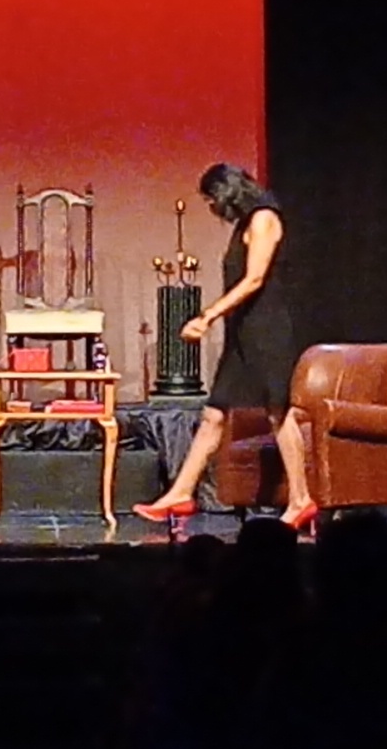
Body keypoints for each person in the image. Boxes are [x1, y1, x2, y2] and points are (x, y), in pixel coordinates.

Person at [134, 164, 314, 531]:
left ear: (227, 191)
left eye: (211, 199)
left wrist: (208, 316)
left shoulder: (264, 218)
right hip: (243, 331)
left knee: (278, 412)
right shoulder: (244, 223)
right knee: (214, 413)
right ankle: (180, 493)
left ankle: (301, 500)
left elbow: (255, 279)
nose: (212, 207)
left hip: (267, 331)